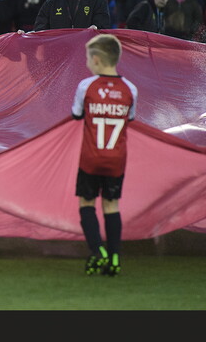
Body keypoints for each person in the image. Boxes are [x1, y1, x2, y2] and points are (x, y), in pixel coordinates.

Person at [71, 33, 138, 277]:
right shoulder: (130, 89)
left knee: (86, 203)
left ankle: (98, 252)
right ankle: (115, 256)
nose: (87, 63)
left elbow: (76, 114)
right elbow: (130, 118)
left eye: (89, 59)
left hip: (90, 157)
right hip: (116, 159)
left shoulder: (86, 86)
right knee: (112, 205)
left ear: (97, 60)